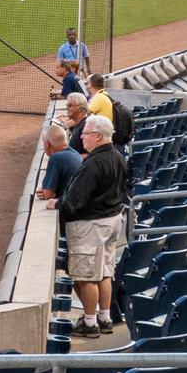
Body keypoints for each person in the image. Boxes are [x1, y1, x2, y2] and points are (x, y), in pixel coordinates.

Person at [57, 113, 129, 335]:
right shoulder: (118, 156)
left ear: (98, 137)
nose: (82, 138)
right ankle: (104, 317)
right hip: (112, 222)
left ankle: (90, 323)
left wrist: (56, 203)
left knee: (86, 276)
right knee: (105, 272)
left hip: (92, 226)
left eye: (86, 134)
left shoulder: (94, 163)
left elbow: (74, 201)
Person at [37, 122, 82, 205]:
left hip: (70, 209)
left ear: (47, 145)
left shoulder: (56, 158)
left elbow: (47, 195)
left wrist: (51, 193)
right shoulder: (75, 152)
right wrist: (52, 193)